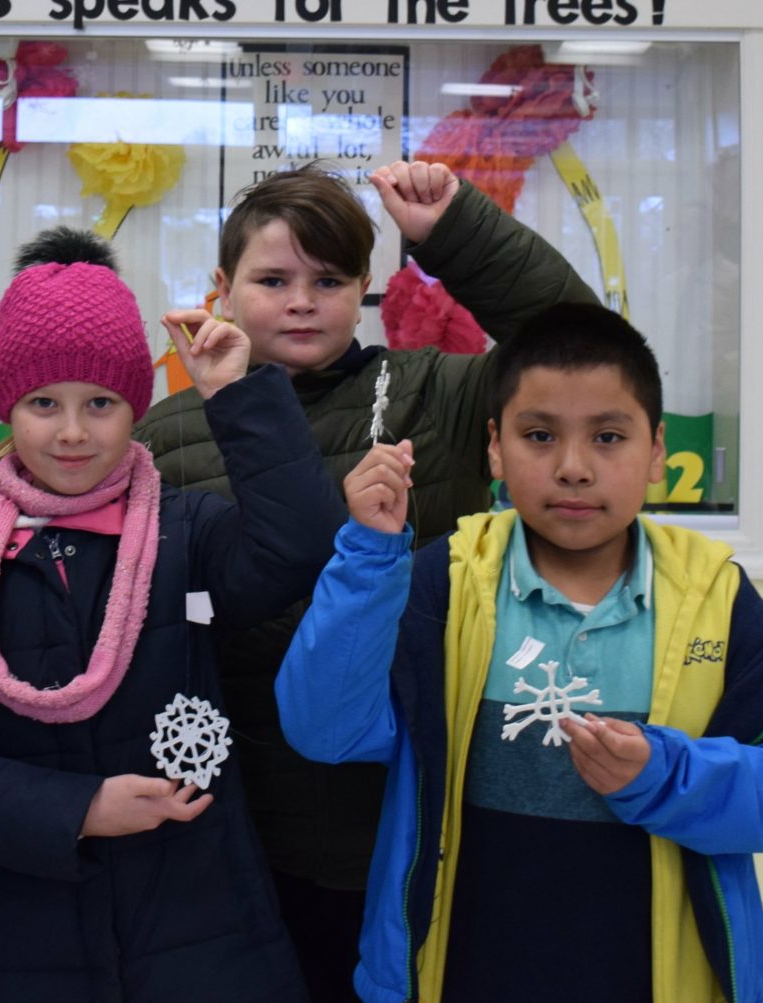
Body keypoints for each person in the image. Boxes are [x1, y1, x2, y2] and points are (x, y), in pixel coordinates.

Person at [276, 303, 763, 1002]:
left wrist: (665, 774)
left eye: (608, 436)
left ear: (657, 449)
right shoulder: (444, 582)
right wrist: (366, 557)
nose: (573, 467)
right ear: (494, 447)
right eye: (539, 435)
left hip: (655, 977)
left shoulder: (714, 596)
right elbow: (324, 729)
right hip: (462, 972)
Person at [137, 164, 593, 1002]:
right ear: (222, 289)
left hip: (408, 812)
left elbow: (580, 349)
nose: (302, 300)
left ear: (366, 288)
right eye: (273, 279)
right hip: (235, 824)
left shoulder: (439, 394)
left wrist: (455, 232)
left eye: (329, 279)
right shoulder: (163, 434)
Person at [0, 232, 343, 1003]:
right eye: (42, 403)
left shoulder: (185, 531)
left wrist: (236, 393)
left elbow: (300, 546)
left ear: (137, 407)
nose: (71, 432)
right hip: (30, 931)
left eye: (101, 402)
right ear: (3, 405)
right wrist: (78, 810)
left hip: (206, 924)